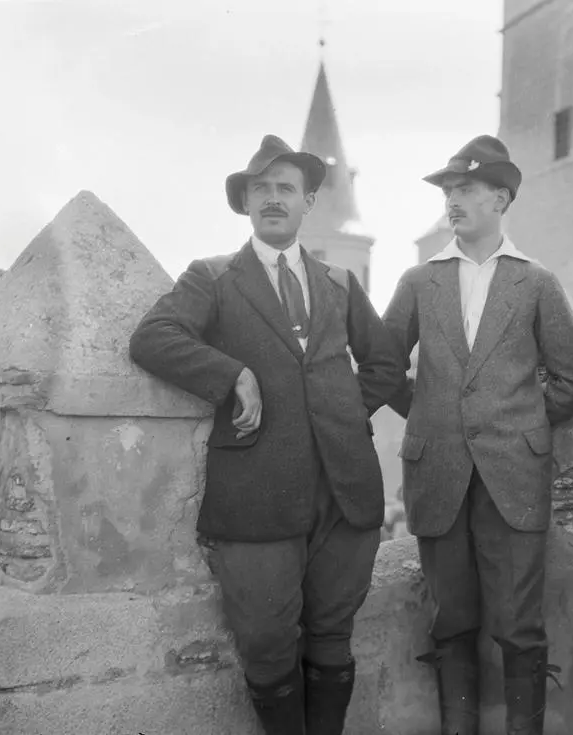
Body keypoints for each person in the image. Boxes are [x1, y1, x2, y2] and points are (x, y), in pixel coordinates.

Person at [129, 134, 404, 735]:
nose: (272, 198)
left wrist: (337, 411)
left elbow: (384, 364)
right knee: (266, 638)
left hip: (345, 491)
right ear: (246, 204)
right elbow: (154, 339)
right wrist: (233, 373)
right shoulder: (213, 277)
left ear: (308, 201)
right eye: (260, 189)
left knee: (333, 631)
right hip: (257, 493)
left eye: (285, 188)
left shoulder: (338, 283)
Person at [382, 135, 573, 735]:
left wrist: (519, 423)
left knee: (520, 623)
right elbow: (380, 368)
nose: (453, 200)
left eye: (467, 189)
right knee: (450, 619)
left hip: (515, 477)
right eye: (449, 191)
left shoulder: (535, 283)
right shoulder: (419, 281)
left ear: (501, 197)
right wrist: (430, 415)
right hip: (438, 474)